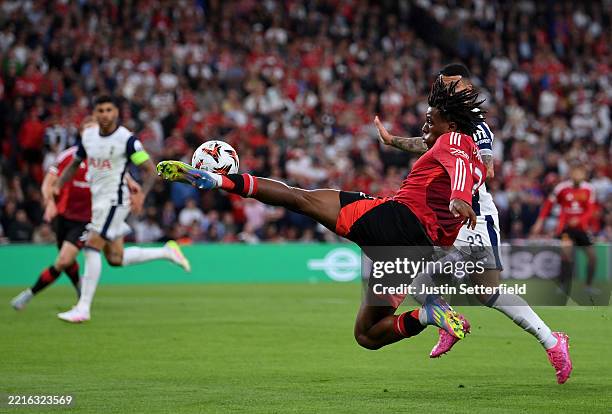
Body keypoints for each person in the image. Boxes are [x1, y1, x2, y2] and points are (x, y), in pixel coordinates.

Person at [157, 78, 484, 352]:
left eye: (431, 119)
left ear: (451, 125)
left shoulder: (453, 141)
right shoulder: (469, 151)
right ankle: (429, 316)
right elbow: (443, 154)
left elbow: (452, 162)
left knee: (300, 198)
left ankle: (219, 179)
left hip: (395, 220)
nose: (426, 124)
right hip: (415, 250)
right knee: (367, 334)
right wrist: (394, 142)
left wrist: (458, 197)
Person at [374, 63, 572, 384]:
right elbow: (427, 144)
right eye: (442, 85)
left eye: (451, 86)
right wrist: (393, 141)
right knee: (412, 276)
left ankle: (552, 341)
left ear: (466, 88)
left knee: (487, 292)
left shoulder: (476, 126)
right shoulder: (444, 124)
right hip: (443, 215)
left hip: (474, 218)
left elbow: (488, 168)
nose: (446, 91)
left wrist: (460, 178)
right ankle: (448, 320)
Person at [53, 96, 191, 323]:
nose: (105, 114)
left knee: (91, 246)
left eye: (109, 110)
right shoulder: (88, 137)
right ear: (95, 114)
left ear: (116, 112)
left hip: (114, 200)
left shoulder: (126, 140)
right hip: (98, 202)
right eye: (101, 110)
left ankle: (83, 308)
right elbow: (75, 163)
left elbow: (150, 169)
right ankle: (166, 252)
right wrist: (58, 185)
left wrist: (141, 195)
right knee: (115, 258)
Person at [10, 119, 143, 311]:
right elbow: (49, 181)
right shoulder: (69, 156)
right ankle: (81, 290)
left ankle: (29, 294)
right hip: (63, 217)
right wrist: (49, 203)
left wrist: (130, 183)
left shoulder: (105, 158)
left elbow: (119, 172)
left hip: (88, 219)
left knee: (64, 260)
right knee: (68, 260)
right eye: (87, 130)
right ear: (81, 134)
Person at [532, 162, 598, 292]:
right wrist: (539, 222)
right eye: (575, 172)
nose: (577, 175)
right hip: (566, 228)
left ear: (584, 175)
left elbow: (591, 210)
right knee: (567, 254)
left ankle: (588, 286)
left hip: (582, 228)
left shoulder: (589, 189)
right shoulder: (561, 188)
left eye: (580, 173)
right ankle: (563, 285)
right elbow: (548, 205)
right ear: (571, 174)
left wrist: (579, 219)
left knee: (592, 257)